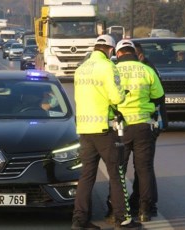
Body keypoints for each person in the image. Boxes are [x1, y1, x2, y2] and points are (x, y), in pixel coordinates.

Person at [72, 34, 141, 230]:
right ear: (110, 50)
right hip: (104, 128)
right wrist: (124, 93)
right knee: (116, 174)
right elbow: (116, 97)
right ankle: (123, 219)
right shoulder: (108, 67)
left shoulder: (81, 69)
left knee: (86, 176)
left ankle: (79, 220)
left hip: (85, 129)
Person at [109, 39, 165, 223]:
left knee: (119, 169)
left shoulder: (113, 71)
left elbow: (108, 98)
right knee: (144, 169)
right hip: (143, 126)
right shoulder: (147, 70)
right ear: (134, 52)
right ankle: (144, 210)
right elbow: (159, 97)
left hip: (121, 128)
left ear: (118, 54)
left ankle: (119, 210)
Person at [128, 42, 168, 217]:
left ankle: (147, 204)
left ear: (140, 56)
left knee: (143, 168)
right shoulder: (147, 69)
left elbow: (159, 98)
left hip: (146, 122)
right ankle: (143, 203)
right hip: (147, 123)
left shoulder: (147, 70)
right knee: (144, 167)